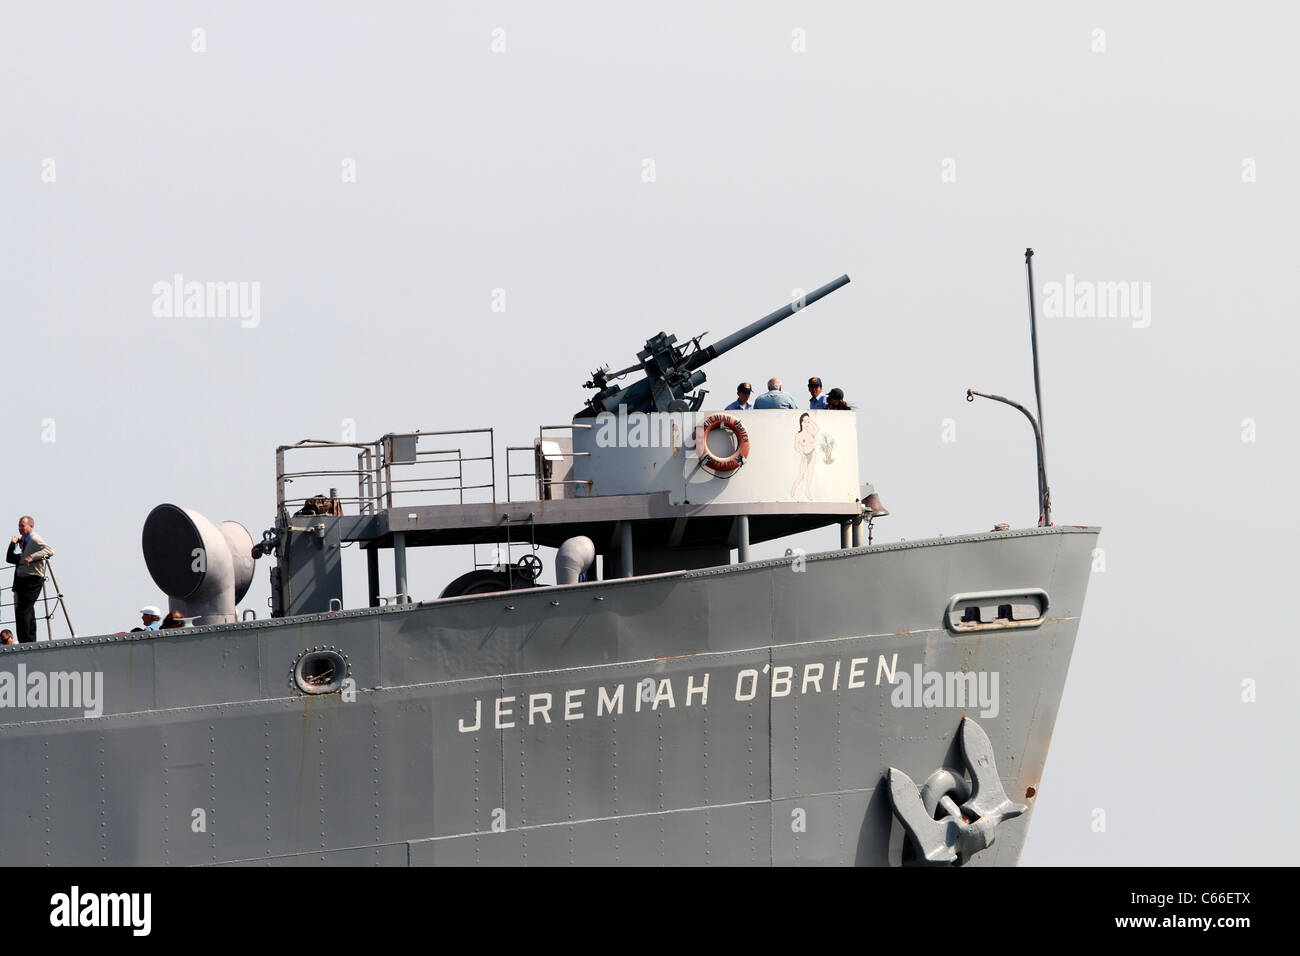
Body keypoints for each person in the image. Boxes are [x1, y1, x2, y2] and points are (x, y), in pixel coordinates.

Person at [7, 516, 52, 644]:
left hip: (32, 579)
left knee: (23, 611)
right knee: (28, 611)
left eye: (23, 525)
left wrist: (32, 557)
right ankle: (30, 640)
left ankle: (25, 642)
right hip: (23, 580)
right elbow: (10, 558)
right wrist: (14, 543)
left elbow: (49, 550)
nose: (20, 528)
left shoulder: (34, 538)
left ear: (30, 526)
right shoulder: (26, 541)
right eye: (19, 526)